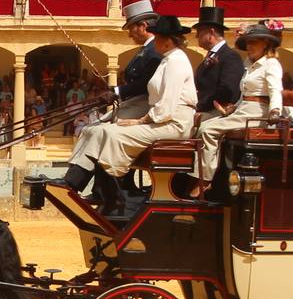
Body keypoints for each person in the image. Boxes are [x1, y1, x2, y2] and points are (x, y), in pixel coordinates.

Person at [63, 14, 196, 215]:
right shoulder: (169, 60)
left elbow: (166, 106)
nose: (155, 40)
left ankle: (114, 197)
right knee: (105, 131)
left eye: (158, 37)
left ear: (167, 41)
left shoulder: (176, 61)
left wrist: (139, 121)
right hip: (163, 120)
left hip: (173, 124)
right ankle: (91, 189)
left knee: (114, 135)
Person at [197, 20, 285, 183]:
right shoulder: (249, 65)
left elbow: (275, 91)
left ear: (265, 43)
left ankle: (205, 180)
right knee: (203, 125)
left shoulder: (271, 64)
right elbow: (245, 94)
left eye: (254, 42)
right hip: (243, 110)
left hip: (257, 112)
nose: (249, 47)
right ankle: (214, 175)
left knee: (207, 130)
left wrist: (275, 112)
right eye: (248, 43)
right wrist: (232, 108)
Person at [192, 6, 243, 127]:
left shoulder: (230, 56)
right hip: (204, 109)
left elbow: (227, 90)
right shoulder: (212, 55)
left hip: (216, 111)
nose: (196, 36)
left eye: (199, 32)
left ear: (211, 32)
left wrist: (199, 105)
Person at [111, 0, 162, 118]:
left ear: (143, 27)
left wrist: (117, 91)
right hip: (134, 102)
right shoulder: (147, 48)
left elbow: (145, 83)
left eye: (131, 29)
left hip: (145, 103)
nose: (129, 34)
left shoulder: (154, 49)